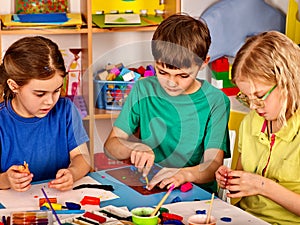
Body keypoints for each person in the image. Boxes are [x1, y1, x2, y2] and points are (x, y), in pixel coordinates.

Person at [104, 14, 231, 193]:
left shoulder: (216, 101)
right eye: (162, 72)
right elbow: (111, 146)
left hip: (195, 193)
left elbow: (212, 165)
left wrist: (183, 175)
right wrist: (135, 147)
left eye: (183, 75)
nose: (171, 83)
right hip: (150, 187)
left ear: (204, 63)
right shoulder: (143, 88)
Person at [215, 31, 300, 225]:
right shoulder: (251, 123)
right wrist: (232, 181)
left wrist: (262, 186)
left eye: (259, 96)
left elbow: (258, 185)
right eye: (246, 97)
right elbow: (240, 191)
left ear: (288, 81)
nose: (253, 107)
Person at [0, 36, 91, 192]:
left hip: (60, 202)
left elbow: (82, 158)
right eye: (40, 94)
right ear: (14, 86)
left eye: (56, 91)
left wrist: (72, 173)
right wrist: (7, 179)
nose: (50, 101)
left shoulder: (66, 110)